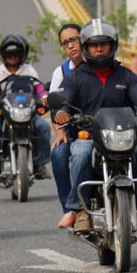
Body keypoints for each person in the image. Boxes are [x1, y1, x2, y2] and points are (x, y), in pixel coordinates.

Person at [54, 19, 137, 233]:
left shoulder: (125, 74)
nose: (99, 49)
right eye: (94, 45)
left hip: (124, 136)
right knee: (81, 154)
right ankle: (81, 210)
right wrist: (62, 112)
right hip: (89, 137)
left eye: (103, 43)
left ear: (112, 45)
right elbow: (63, 99)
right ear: (86, 47)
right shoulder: (75, 77)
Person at [0, 35, 51, 180]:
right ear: (3, 55)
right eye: (9, 55)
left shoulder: (28, 69)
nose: (12, 58)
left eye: (16, 54)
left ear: (22, 55)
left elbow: (38, 87)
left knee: (44, 126)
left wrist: (44, 97)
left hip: (27, 109)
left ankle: (40, 163)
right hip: (3, 110)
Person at [49, 23, 83, 228]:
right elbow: (55, 108)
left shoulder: (103, 64)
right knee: (59, 153)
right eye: (65, 43)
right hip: (75, 131)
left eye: (74, 39)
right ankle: (70, 209)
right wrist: (59, 132)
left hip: (106, 129)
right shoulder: (61, 72)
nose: (70, 45)